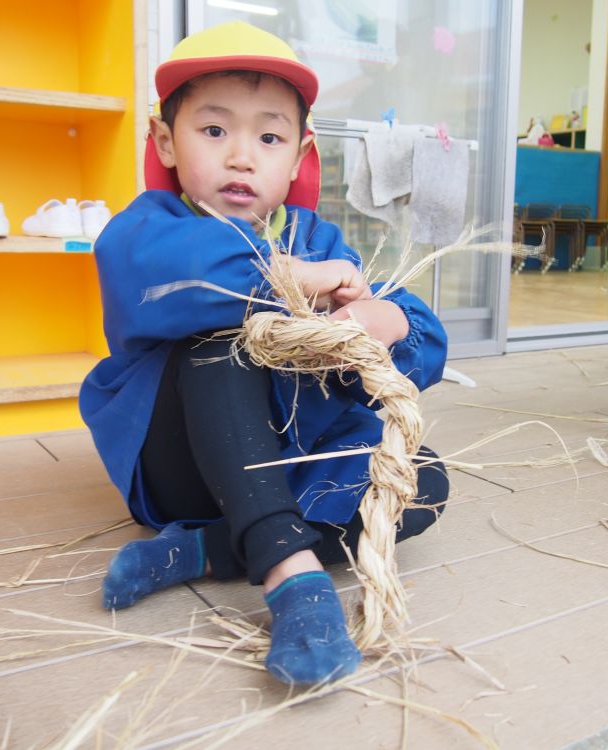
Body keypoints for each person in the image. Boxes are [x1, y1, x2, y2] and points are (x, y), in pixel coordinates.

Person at [78, 21, 449, 686]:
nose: (242, 157)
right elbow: (181, 281)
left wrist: (383, 320)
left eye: (269, 137)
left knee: (420, 482)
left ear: (301, 154)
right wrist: (287, 281)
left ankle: (210, 550)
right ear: (165, 139)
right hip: (183, 466)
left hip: (285, 460)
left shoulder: (318, 237)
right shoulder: (147, 229)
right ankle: (291, 574)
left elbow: (417, 335)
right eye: (214, 131)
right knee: (222, 339)